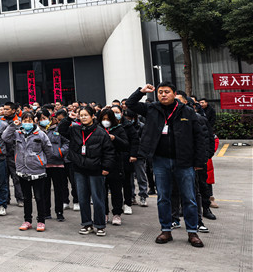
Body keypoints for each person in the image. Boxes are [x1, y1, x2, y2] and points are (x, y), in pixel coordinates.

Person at [127, 82, 207, 248]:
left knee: (189, 198)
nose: (163, 95)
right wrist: (141, 91)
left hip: (184, 161)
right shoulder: (152, 109)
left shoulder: (187, 111)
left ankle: (192, 232)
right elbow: (130, 104)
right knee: (163, 197)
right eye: (160, 92)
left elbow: (199, 137)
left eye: (167, 92)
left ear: (174, 94)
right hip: (160, 161)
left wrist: (199, 161)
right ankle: (166, 230)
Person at [58, 106, 114, 236]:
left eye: (86, 115)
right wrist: (68, 118)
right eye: (81, 115)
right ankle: (87, 224)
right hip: (79, 169)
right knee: (82, 198)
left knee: (97, 198)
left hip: (96, 169)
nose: (83, 117)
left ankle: (100, 225)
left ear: (92, 116)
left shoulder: (101, 132)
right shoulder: (75, 129)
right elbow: (61, 130)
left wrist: (106, 167)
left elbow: (109, 152)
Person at [3, 111, 54, 232]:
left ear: (34, 121)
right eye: (25, 121)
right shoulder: (17, 133)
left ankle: (41, 221)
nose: (27, 123)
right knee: (26, 197)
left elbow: (49, 150)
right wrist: (13, 126)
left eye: (29, 121)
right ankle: (27, 220)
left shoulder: (40, 134)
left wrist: (42, 162)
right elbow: (4, 137)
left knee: (39, 197)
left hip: (38, 171)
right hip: (22, 170)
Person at [98, 108, 129, 226]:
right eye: (103, 119)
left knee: (116, 191)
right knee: (102, 191)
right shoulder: (98, 129)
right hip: (100, 163)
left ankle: (117, 213)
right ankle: (104, 213)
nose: (105, 121)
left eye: (108, 119)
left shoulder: (119, 129)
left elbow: (125, 145)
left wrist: (115, 138)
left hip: (115, 164)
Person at [40, 109, 69, 222]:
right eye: (41, 119)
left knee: (59, 189)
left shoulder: (58, 129)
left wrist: (60, 152)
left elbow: (67, 142)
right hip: (43, 165)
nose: (43, 120)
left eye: (45, 118)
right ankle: (46, 212)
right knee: (44, 190)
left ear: (50, 118)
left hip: (57, 164)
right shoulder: (37, 130)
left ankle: (59, 212)